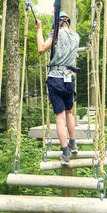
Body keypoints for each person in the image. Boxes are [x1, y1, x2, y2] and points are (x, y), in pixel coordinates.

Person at [36, 12, 80, 165]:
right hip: (69, 77)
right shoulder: (76, 37)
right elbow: (64, 55)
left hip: (56, 79)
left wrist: (39, 29)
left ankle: (65, 153)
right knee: (69, 113)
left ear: (57, 24)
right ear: (68, 22)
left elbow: (41, 49)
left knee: (60, 117)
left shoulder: (55, 34)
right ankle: (73, 143)